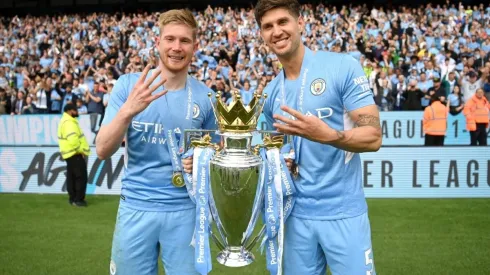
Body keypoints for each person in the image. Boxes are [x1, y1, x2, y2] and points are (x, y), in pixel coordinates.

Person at [254, 0, 382, 274]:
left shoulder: (342, 66)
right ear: (262, 35)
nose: (276, 31)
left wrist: (330, 135)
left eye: (282, 22)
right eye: (268, 26)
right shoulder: (270, 93)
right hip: (295, 218)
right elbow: (274, 151)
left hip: (343, 213)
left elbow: (373, 137)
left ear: (300, 23)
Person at [96, 9, 217, 275]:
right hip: (136, 207)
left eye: (184, 41)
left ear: (195, 46)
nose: (176, 47)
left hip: (185, 210)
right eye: (170, 39)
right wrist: (128, 110)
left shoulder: (207, 97)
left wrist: (203, 159)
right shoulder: (129, 86)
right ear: (157, 42)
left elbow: (215, 155)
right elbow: (103, 149)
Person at [57, 103, 90, 207]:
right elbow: (73, 139)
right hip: (75, 153)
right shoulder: (69, 123)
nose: (77, 112)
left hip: (69, 154)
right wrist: (80, 150)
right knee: (80, 177)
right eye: (75, 110)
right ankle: (78, 200)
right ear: (70, 111)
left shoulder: (65, 121)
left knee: (72, 177)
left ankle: (72, 198)